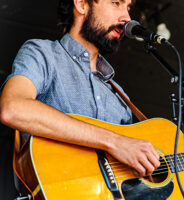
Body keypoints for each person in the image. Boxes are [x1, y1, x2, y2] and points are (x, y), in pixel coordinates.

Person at [0, 0, 160, 178]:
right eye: (116, 3)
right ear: (82, 4)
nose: (127, 18)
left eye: (128, 7)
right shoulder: (43, 54)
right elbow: (13, 108)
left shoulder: (119, 96)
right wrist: (114, 141)